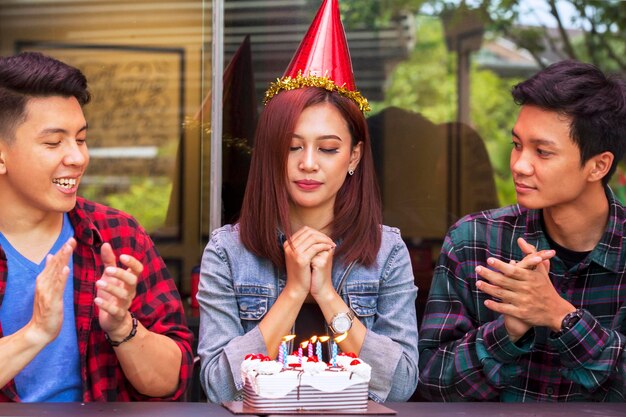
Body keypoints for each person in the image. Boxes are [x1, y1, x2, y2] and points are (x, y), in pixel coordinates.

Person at [197, 0, 419, 404]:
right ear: (271, 153)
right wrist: (294, 292)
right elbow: (216, 388)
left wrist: (326, 293)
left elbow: (402, 385)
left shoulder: (387, 252)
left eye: (328, 149)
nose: (308, 164)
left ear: (353, 157)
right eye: (292, 146)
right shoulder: (228, 251)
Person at [418, 59, 626, 401]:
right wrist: (508, 330)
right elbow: (431, 386)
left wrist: (561, 316)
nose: (519, 165)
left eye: (542, 152)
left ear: (598, 165)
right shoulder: (473, 240)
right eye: (517, 145)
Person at [0, 51, 194, 402]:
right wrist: (35, 333)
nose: (77, 157)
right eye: (53, 142)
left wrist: (123, 326)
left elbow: (172, 381)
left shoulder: (118, 235)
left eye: (81, 138)